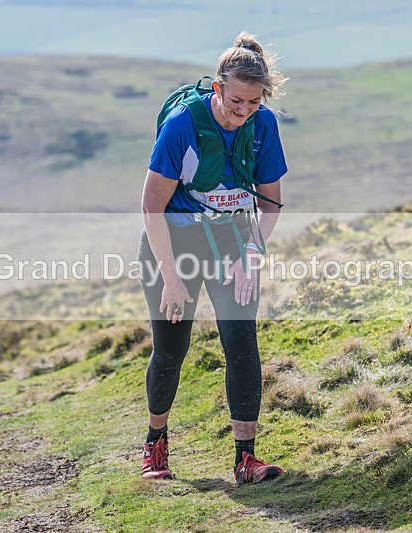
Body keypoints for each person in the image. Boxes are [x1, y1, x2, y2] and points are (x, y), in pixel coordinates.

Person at [138, 31, 288, 483]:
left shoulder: (263, 126)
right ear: (218, 88)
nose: (244, 112)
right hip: (174, 243)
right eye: (236, 101)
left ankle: (246, 459)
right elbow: (151, 207)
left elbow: (270, 204)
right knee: (171, 348)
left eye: (254, 103)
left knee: (241, 339)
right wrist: (171, 277)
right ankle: (156, 443)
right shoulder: (182, 124)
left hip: (231, 242)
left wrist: (252, 250)